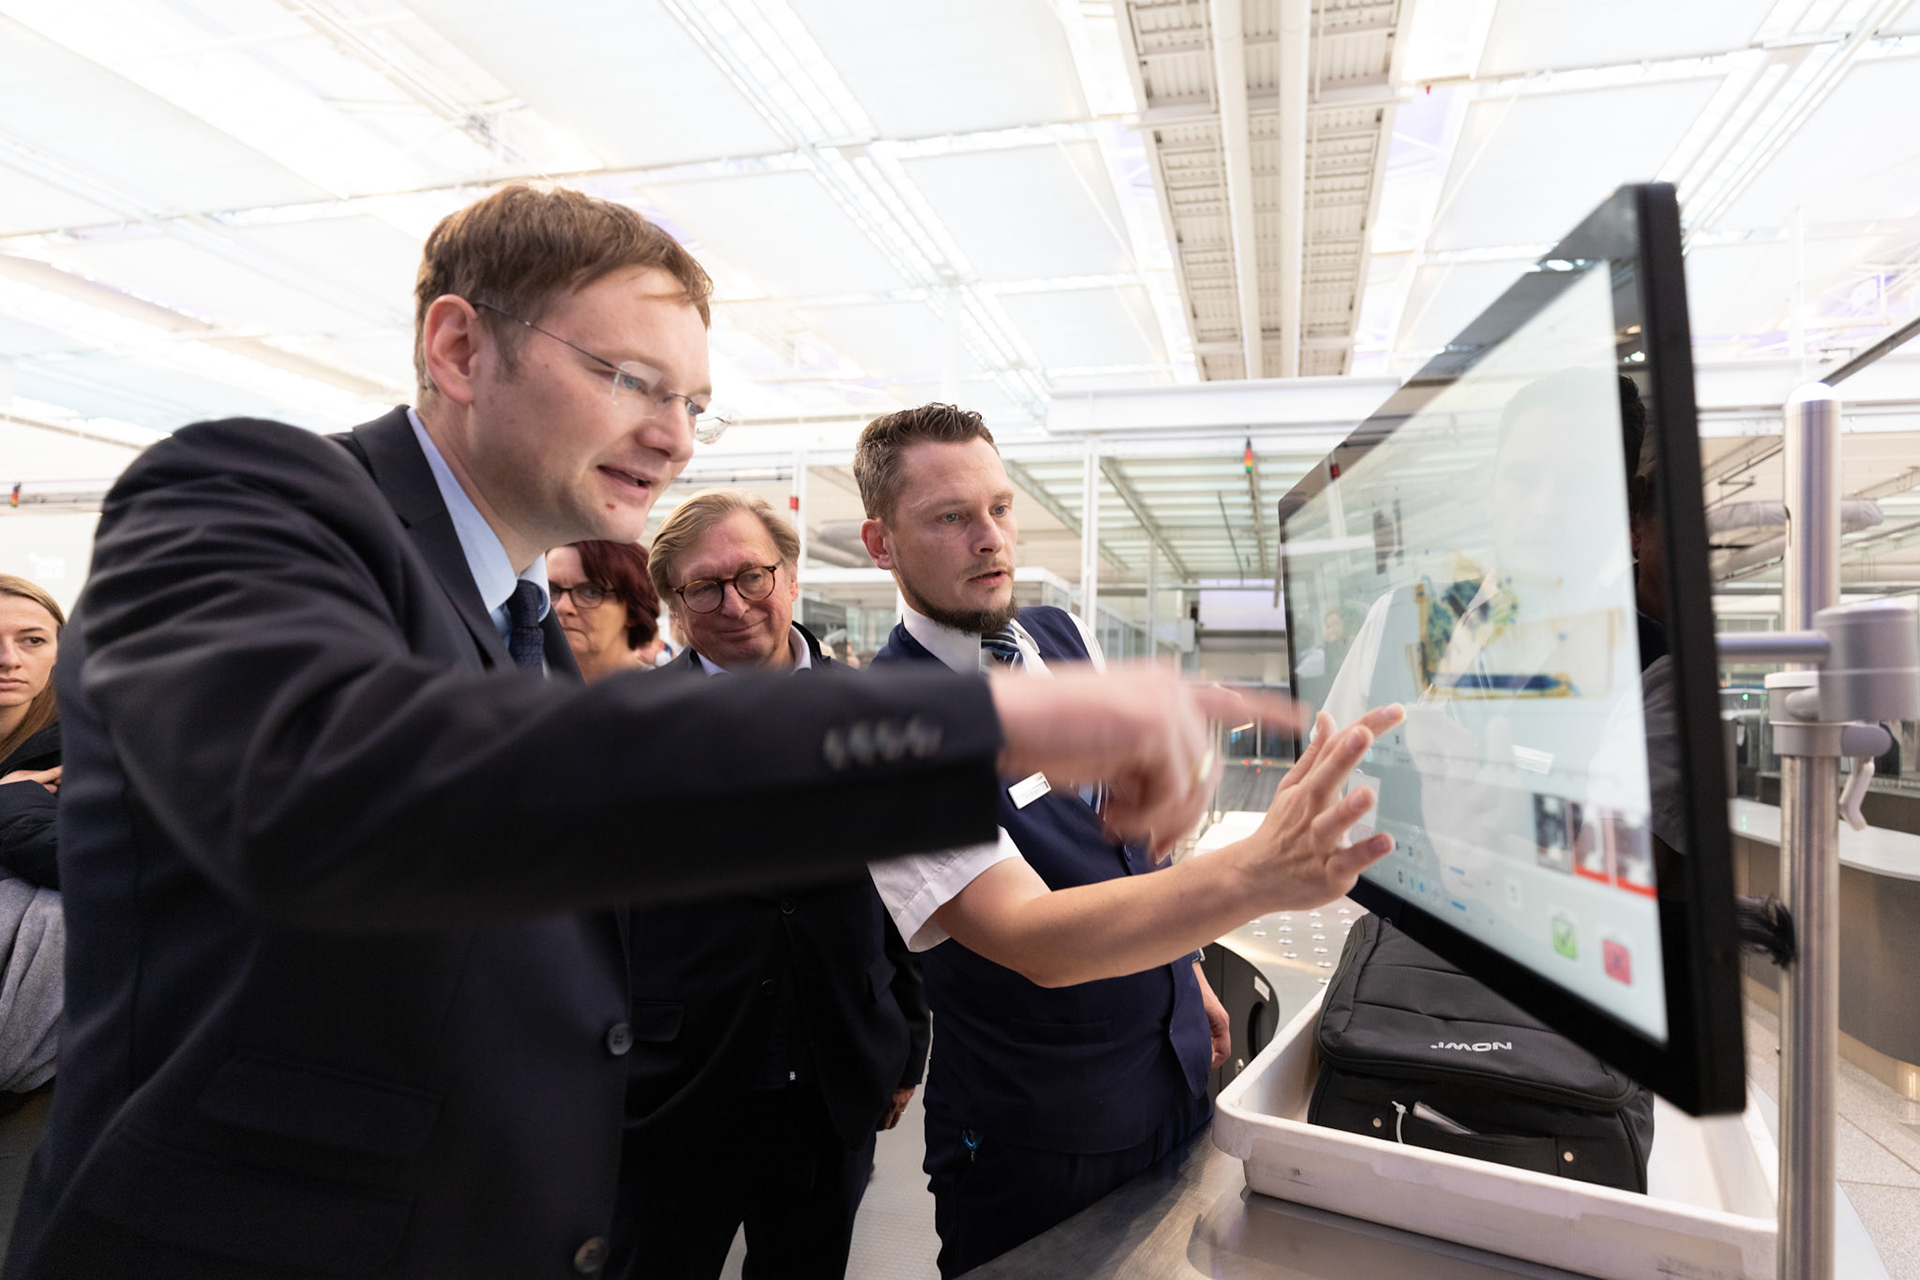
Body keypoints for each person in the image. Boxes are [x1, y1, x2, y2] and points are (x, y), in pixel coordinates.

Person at [6, 184, 1305, 1280]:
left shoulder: (521, 626)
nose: (675, 436)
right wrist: (987, 716)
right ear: (458, 348)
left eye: (695, 402)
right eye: (631, 379)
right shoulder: (243, 493)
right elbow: (361, 788)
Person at [851, 404, 1402, 1276]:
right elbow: (1030, 937)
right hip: (1040, 1134)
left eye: (1000, 508)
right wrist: (1253, 872)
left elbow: (1132, 831)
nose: (990, 539)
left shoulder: (1058, 637)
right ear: (880, 544)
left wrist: (1185, 971)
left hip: (1172, 1069)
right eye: (950, 518)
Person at [610, 490, 928, 1279]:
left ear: (789, 576)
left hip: (833, 1078)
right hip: (678, 1087)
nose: (734, 604)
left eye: (751, 576)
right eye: (703, 588)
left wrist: (908, 1042)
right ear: (675, 603)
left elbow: (906, 890)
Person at [0, 575, 65, 1100]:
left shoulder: (96, 748)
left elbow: (90, 869)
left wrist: (10, 800)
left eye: (33, 640)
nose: (8, 660)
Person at [547, 538, 667, 678]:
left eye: (591, 593)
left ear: (633, 611)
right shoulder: (529, 687)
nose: (562, 607)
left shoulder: (665, 690)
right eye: (551, 590)